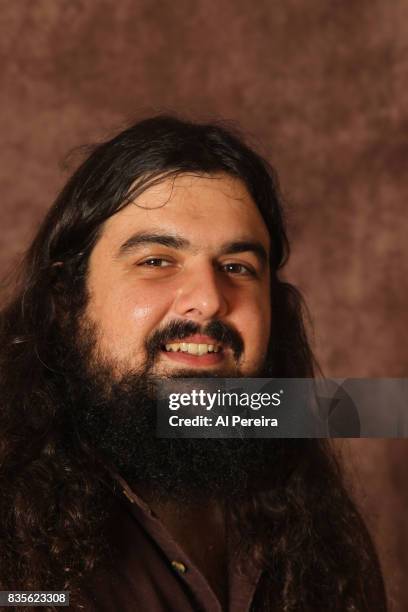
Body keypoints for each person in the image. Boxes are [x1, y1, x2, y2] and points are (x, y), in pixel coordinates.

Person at [0, 116, 386, 611]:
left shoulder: (312, 520)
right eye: (157, 260)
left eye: (236, 268)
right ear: (69, 298)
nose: (208, 300)